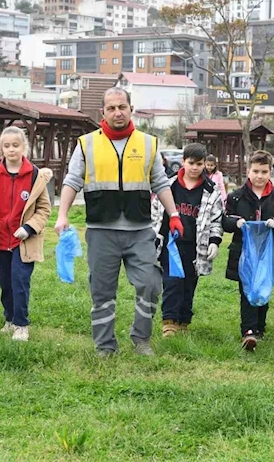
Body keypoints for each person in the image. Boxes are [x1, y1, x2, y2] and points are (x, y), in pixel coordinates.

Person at [55, 87, 182, 358]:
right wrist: (62, 215)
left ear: (131, 109)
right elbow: (72, 181)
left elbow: (160, 182)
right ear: (103, 112)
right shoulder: (86, 144)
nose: (117, 112)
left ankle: (141, 339)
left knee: (150, 284)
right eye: (111, 108)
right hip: (101, 230)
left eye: (122, 107)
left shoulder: (148, 143)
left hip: (139, 230)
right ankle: (105, 347)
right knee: (102, 292)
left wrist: (174, 215)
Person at [0, 127, 53, 342]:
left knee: (20, 281)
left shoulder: (35, 176)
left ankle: (21, 324)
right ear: (1, 149)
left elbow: (44, 209)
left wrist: (29, 228)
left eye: (15, 145)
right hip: (0, 240)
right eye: (6, 146)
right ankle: (9, 319)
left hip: (23, 242)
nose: (11, 150)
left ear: (24, 147)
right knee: (5, 282)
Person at [223, 150, 274, 352]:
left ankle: (260, 326)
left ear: (270, 171)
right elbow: (224, 220)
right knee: (246, 290)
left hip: (269, 253)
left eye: (264, 171)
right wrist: (237, 223)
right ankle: (248, 331)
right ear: (248, 171)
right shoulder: (236, 197)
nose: (259, 176)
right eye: (255, 171)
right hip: (244, 253)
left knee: (263, 288)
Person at [152, 144, 223, 337]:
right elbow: (156, 212)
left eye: (199, 164)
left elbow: (216, 219)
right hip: (171, 243)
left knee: (189, 284)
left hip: (196, 246)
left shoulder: (211, 190)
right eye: (191, 163)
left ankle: (183, 320)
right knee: (172, 281)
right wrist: (154, 236)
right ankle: (169, 321)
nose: (195, 168)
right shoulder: (169, 185)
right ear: (183, 162)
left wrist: (214, 241)